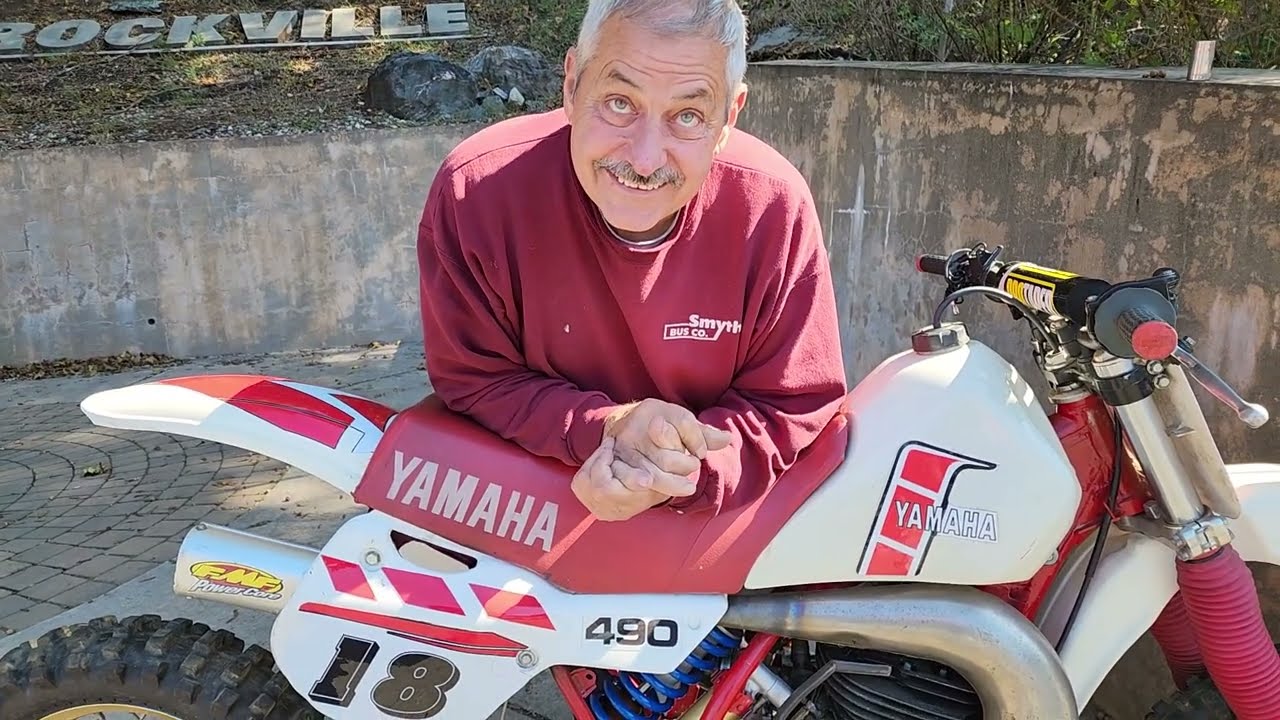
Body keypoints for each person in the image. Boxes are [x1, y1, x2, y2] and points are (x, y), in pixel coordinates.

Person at [415, 0, 848, 524]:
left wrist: (675, 473)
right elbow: (475, 378)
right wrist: (604, 427)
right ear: (572, 84)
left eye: (688, 116)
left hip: (711, 534)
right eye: (620, 102)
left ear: (729, 117)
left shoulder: (772, 209)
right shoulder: (477, 191)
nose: (644, 160)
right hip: (523, 512)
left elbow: (792, 404)